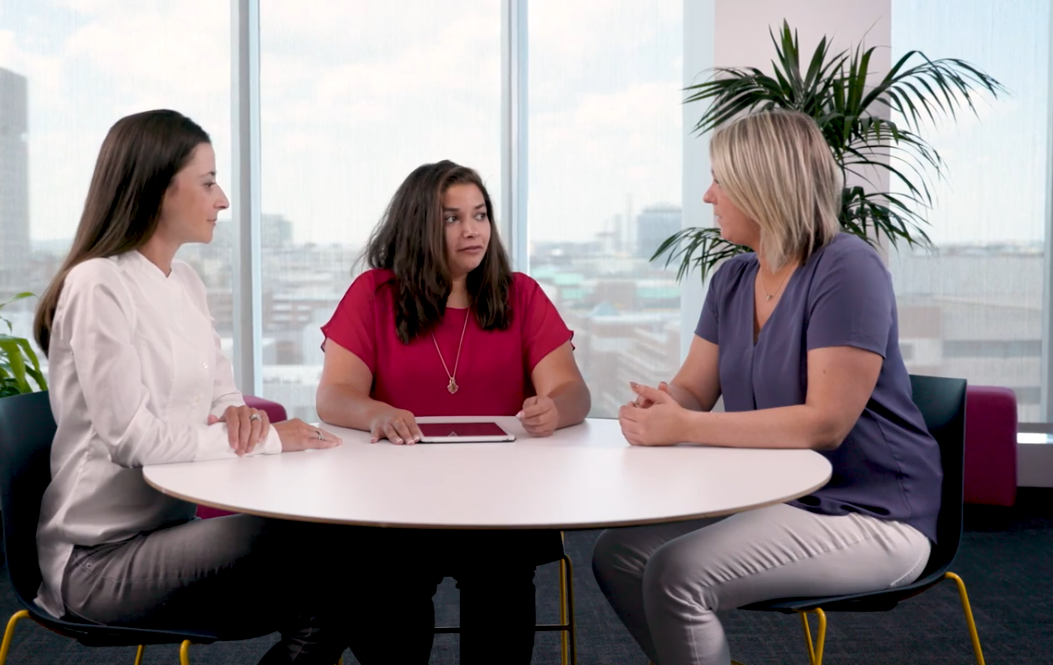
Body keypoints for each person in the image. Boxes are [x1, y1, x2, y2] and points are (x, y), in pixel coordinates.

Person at [592, 110, 942, 665]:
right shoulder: (732, 279)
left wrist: (686, 426)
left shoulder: (847, 269)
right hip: (778, 498)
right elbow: (693, 389)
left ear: (764, 186)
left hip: (871, 514)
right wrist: (664, 405)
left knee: (678, 573)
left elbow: (825, 423)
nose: (708, 195)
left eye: (720, 180)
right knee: (618, 554)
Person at [31, 109, 346, 664]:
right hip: (97, 560)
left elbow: (222, 395)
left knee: (351, 578)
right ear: (157, 188)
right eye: (207, 182)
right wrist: (269, 438)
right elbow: (132, 439)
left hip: (169, 535)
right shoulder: (98, 284)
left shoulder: (187, 282)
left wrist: (238, 416)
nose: (222, 199)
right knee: (312, 550)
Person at [316, 159, 591, 663]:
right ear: (419, 224)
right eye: (452, 218)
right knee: (385, 587)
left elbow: (573, 390)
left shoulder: (521, 293)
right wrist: (376, 411)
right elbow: (334, 394)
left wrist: (553, 408)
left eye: (480, 215)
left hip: (498, 504)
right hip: (395, 504)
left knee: (503, 581)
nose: (473, 230)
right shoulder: (374, 295)